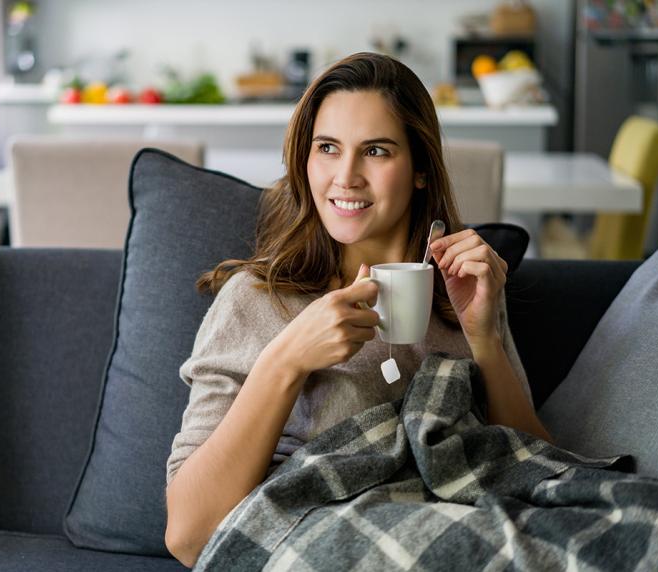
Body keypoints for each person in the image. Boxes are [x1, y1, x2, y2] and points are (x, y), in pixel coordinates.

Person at [164, 51, 552, 568]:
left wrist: (484, 339)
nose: (346, 176)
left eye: (375, 151)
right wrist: (287, 360)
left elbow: (536, 471)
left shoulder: (467, 291)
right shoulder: (255, 299)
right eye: (327, 148)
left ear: (420, 169)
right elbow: (188, 535)